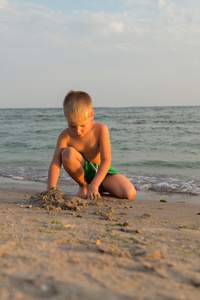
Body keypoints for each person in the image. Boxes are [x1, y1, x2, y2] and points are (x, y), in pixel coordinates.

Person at [46, 90, 136, 200]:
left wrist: (95, 184)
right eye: (72, 126)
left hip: (102, 172)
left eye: (82, 125)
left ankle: (97, 187)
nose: (78, 131)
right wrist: (50, 189)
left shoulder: (101, 129)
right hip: (83, 173)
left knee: (129, 193)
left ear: (91, 115)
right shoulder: (65, 135)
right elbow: (55, 163)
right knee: (67, 153)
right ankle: (84, 186)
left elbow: (106, 160)